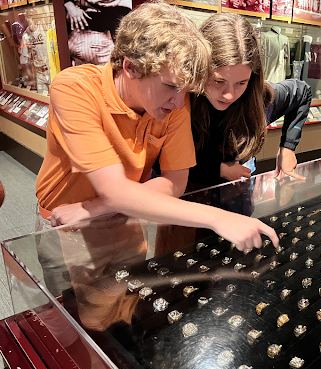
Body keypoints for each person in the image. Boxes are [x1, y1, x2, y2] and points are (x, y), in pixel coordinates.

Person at [35, 2, 278, 254]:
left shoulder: (174, 100)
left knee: (133, 291)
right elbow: (114, 190)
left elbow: (174, 183)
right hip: (65, 224)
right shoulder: (74, 89)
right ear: (130, 66)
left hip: (129, 218)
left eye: (184, 89)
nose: (178, 100)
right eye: (170, 86)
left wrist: (105, 205)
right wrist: (219, 218)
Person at [188, 13, 312, 190]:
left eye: (241, 83)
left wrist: (288, 146)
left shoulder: (259, 98)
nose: (229, 95)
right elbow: (160, 161)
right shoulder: (179, 100)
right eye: (219, 81)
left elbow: (303, 92)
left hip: (237, 200)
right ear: (199, 69)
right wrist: (219, 170)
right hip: (186, 201)